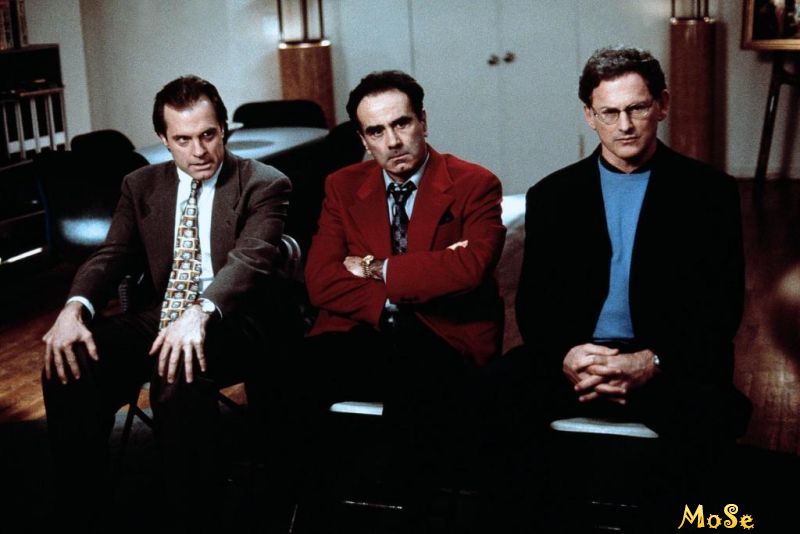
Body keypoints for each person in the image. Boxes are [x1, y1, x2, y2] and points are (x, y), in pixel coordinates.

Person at [511, 46, 752, 527]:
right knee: (490, 401)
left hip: (664, 362)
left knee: (715, 421)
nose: (624, 125)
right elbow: (533, 306)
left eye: (637, 108)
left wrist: (652, 361)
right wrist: (568, 355)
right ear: (589, 115)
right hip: (578, 361)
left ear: (662, 104)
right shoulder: (553, 195)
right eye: (609, 112)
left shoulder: (710, 193)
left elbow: (721, 310)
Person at [40, 75, 292, 532]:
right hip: (160, 315)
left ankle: (193, 514)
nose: (199, 151)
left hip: (235, 319)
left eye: (208, 135)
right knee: (69, 357)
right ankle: (83, 507)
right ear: (163, 138)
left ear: (224, 129)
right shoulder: (140, 185)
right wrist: (73, 309)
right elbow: (112, 254)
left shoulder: (264, 183)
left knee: (178, 367)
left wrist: (200, 312)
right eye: (183, 139)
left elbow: (250, 260)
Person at [296, 70, 506, 527]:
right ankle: (306, 512)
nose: (392, 141)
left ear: (423, 121)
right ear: (363, 139)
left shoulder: (474, 183)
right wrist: (418, 280)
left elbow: (470, 268)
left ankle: (413, 516)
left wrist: (373, 267)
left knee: (414, 389)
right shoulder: (342, 186)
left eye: (401, 124)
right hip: (364, 329)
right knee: (282, 375)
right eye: (376, 131)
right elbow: (321, 281)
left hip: (443, 337)